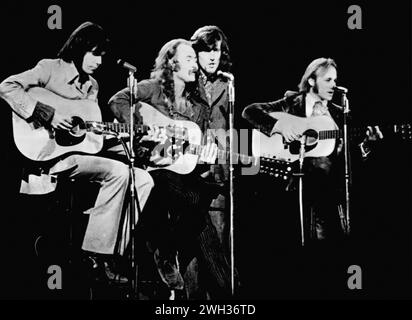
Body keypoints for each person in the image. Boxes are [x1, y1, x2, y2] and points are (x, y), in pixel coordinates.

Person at [0, 22, 154, 282]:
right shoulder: (50, 68)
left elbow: (88, 135)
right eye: (94, 53)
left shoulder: (92, 85)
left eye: (102, 56)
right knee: (118, 172)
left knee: (142, 177)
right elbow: (6, 86)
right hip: (46, 156)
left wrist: (127, 137)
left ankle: (108, 251)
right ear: (78, 48)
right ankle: (97, 255)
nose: (98, 61)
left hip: (76, 155)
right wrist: (47, 113)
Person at [108, 39, 219, 293]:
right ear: (172, 62)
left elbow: (191, 152)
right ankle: (166, 253)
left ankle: (166, 250)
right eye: (189, 58)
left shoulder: (196, 106)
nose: (195, 64)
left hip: (180, 169)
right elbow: (117, 101)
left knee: (206, 192)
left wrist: (207, 155)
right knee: (190, 197)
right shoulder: (153, 88)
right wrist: (144, 129)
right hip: (153, 167)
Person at [242, 57, 382, 242]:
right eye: (328, 80)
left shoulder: (340, 114)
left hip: (325, 196)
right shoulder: (290, 102)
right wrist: (279, 127)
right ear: (311, 81)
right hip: (289, 190)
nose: (334, 85)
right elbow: (249, 112)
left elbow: (348, 159)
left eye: (335, 80)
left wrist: (366, 144)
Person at [188, 25, 238, 298]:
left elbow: (231, 131)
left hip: (217, 173)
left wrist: (231, 166)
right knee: (191, 248)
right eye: (206, 50)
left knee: (217, 243)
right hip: (187, 170)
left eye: (216, 50)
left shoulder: (226, 84)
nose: (211, 56)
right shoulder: (184, 79)